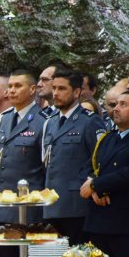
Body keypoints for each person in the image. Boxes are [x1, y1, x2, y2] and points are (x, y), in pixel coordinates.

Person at [81, 90, 129, 257]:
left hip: (125, 223)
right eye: (116, 104)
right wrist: (94, 188)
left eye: (123, 104)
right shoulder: (107, 138)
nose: (116, 108)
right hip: (98, 219)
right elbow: (89, 167)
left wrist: (96, 185)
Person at [42, 68, 106, 245]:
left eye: (62, 89)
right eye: (54, 88)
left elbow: (101, 159)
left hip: (77, 204)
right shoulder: (51, 122)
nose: (55, 93)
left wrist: (94, 184)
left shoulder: (90, 121)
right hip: (51, 204)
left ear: (77, 92)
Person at [0, 69, 48, 257]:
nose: (12, 90)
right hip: (5, 206)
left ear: (32, 89)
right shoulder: (3, 119)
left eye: (18, 86)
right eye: (10, 86)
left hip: (30, 209)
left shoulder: (43, 120)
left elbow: (46, 167)